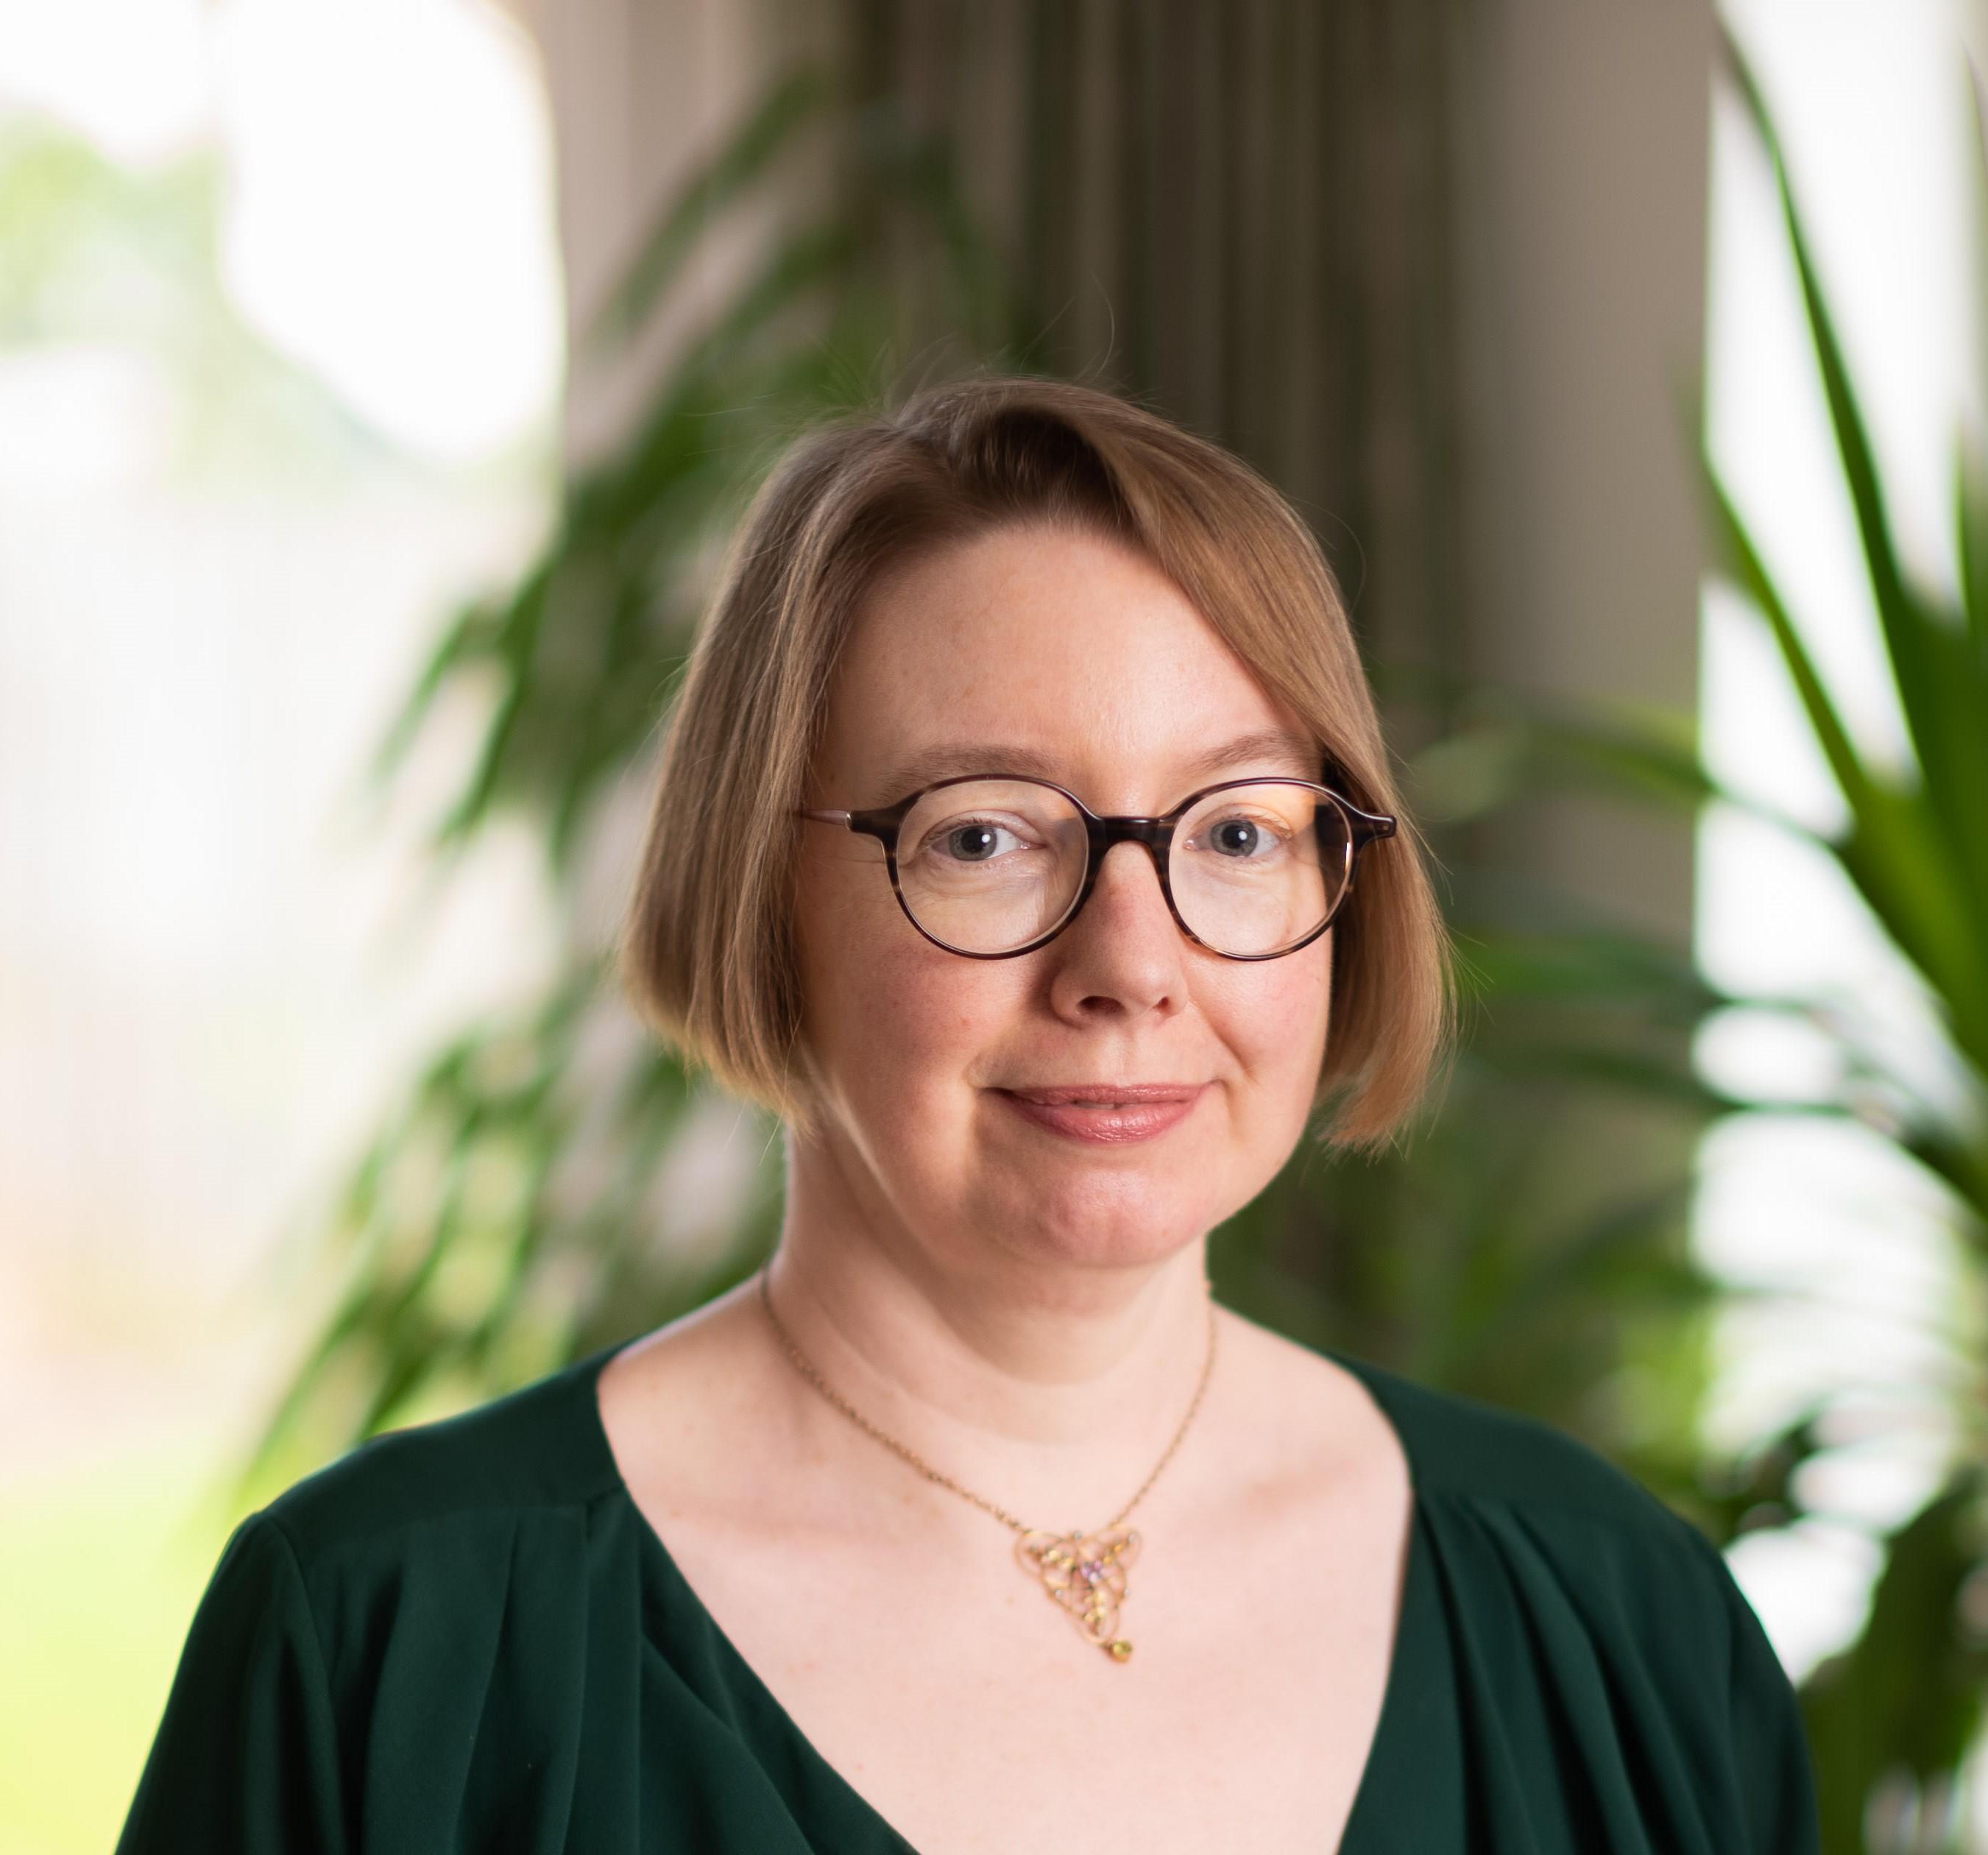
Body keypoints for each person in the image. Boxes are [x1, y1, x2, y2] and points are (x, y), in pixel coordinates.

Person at [116, 372, 1819, 1854]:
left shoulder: (1622, 1631)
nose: (1131, 965)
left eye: (1234, 831)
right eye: (987, 834)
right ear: (760, 888)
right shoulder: (386, 1645)